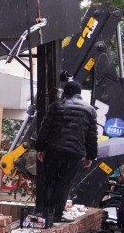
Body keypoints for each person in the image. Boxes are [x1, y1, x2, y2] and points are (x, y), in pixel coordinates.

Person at [34, 81, 98, 224]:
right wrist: (90, 156)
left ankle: (45, 213)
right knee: (64, 183)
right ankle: (57, 214)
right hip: (75, 153)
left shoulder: (56, 106)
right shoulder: (90, 110)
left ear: (66, 92)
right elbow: (92, 135)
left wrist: (40, 148)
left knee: (49, 181)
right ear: (79, 93)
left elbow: (45, 128)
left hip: (54, 150)